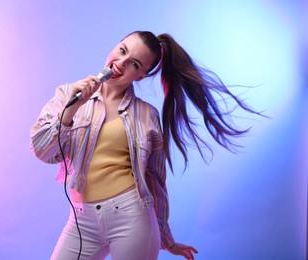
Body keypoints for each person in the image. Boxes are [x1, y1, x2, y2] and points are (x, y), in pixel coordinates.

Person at [30, 31, 260, 259]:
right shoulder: (67, 94)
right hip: (82, 221)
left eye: (134, 64)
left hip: (131, 217)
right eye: (122, 51)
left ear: (140, 76)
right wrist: (72, 107)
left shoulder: (147, 115)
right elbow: (43, 151)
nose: (121, 63)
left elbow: (155, 180)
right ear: (115, 45)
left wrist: (166, 240)